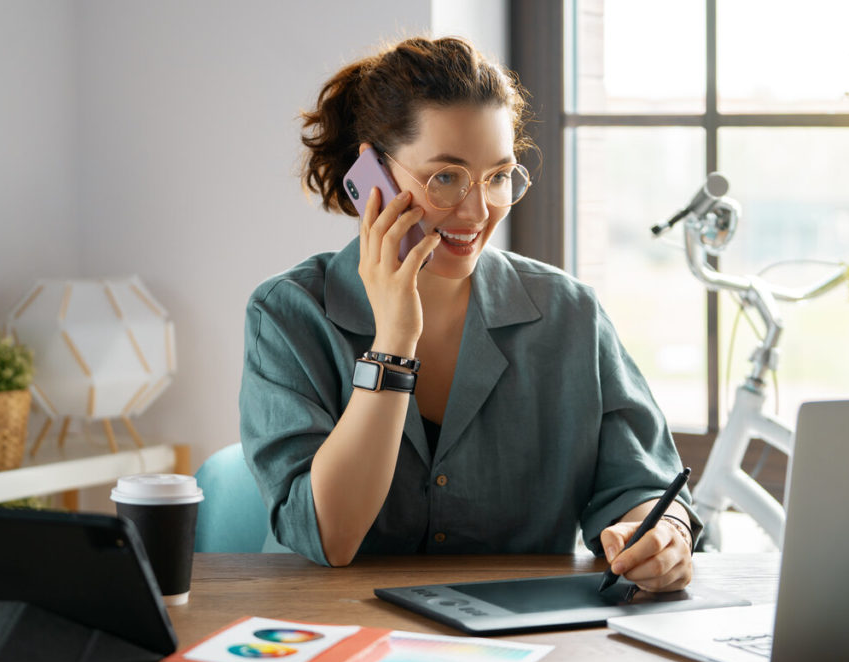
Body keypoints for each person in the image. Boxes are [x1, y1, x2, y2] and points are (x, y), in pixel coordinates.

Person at [239, 36, 699, 593]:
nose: (479, 211)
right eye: (446, 177)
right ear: (372, 175)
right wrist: (395, 339)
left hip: (518, 641)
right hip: (329, 637)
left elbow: (640, 485)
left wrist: (660, 535)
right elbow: (330, 538)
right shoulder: (289, 315)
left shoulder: (570, 314)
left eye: (499, 176)